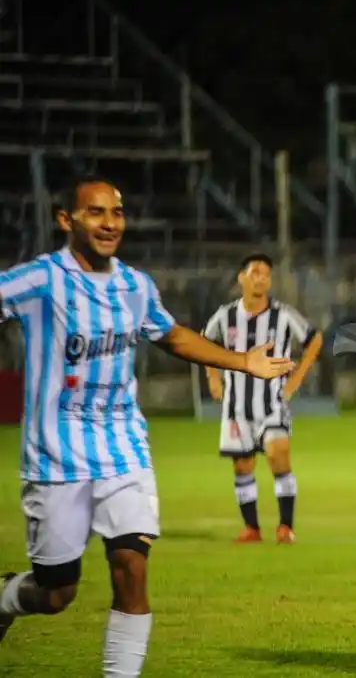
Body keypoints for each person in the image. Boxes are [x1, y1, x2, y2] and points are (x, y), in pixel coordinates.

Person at [0, 175, 294, 676]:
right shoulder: (40, 280)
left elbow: (171, 335)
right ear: (66, 220)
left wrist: (243, 362)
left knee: (132, 569)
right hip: (56, 456)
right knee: (56, 592)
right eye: (95, 213)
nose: (109, 223)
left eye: (116, 213)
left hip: (123, 448)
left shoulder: (134, 286)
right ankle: (7, 597)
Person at [203, 252, 323, 544]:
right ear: (241, 278)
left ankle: (285, 527)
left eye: (266, 274)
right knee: (242, 466)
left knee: (277, 455)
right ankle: (251, 528)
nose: (261, 278)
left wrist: (296, 378)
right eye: (255, 272)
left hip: (272, 403)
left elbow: (314, 339)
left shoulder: (283, 315)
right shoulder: (226, 315)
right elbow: (204, 341)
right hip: (236, 406)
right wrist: (213, 377)